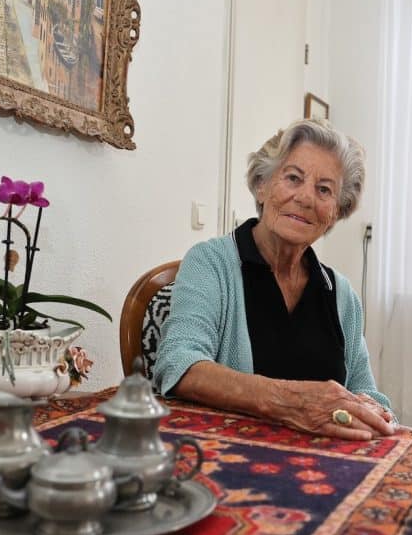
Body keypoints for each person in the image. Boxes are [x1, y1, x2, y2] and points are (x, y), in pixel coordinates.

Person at [152, 119, 394, 441]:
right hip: (226, 459)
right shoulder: (210, 263)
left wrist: (375, 412)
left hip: (327, 472)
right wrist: (291, 402)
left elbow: (366, 393)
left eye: (324, 190)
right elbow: (179, 365)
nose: (306, 198)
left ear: (336, 211)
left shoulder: (342, 295)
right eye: (293, 178)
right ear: (262, 186)